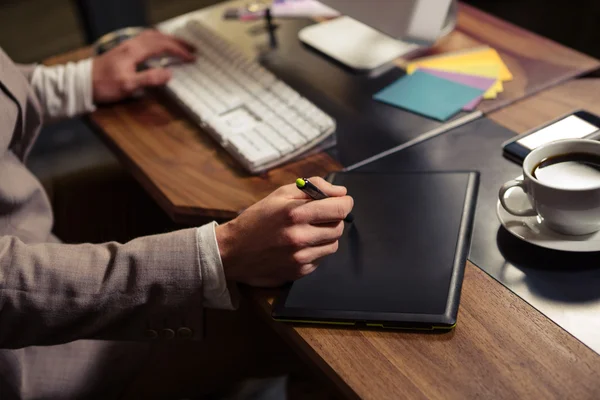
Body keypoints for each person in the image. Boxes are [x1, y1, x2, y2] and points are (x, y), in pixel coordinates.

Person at [0, 30, 353, 398]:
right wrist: (217, 254)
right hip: (25, 354)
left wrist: (69, 84)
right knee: (320, 333)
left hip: (24, 222)